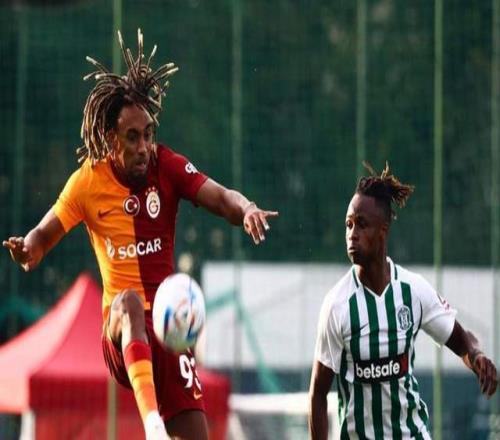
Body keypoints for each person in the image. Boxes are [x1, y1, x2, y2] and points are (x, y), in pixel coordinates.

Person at [3, 29, 278, 440]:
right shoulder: (87, 183)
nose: (144, 146)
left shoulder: (166, 166)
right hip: (121, 330)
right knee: (129, 301)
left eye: (148, 134)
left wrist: (248, 208)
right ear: (110, 139)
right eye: (132, 137)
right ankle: (153, 427)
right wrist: (27, 249)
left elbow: (222, 198)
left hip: (170, 329)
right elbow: (42, 237)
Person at [308, 163, 497, 439]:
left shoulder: (413, 290)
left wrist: (476, 356)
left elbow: (460, 340)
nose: (352, 234)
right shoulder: (337, 305)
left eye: (361, 224)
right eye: (348, 224)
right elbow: (318, 395)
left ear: (383, 230)